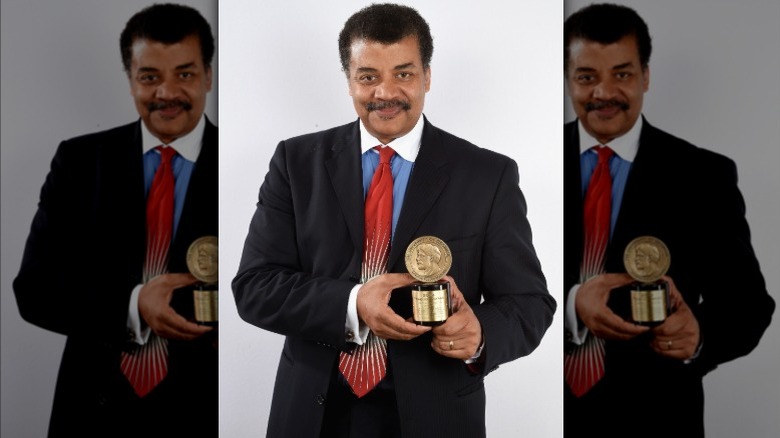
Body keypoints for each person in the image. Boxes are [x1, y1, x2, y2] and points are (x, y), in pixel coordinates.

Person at [232, 3, 556, 437]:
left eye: (403, 73)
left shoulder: (487, 175)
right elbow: (254, 286)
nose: (385, 92)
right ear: (349, 81)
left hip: (435, 416)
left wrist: (480, 334)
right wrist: (353, 304)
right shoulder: (295, 162)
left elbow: (529, 303)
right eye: (368, 77)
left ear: (427, 76)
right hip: (312, 413)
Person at [562, 4, 775, 438]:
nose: (604, 92)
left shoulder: (704, 175)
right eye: (586, 77)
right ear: (568, 79)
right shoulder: (524, 165)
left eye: (622, 74)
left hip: (659, 416)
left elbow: (749, 305)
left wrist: (699, 336)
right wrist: (573, 303)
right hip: (546, 414)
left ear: (645, 76)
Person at [12, 3, 217, 437]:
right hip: (92, 409)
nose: (167, 92)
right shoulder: (79, 162)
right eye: (150, 77)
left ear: (208, 77)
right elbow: (34, 289)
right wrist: (134, 305)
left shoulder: (245, 166)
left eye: (184, 74)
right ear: (130, 80)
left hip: (203, 409)